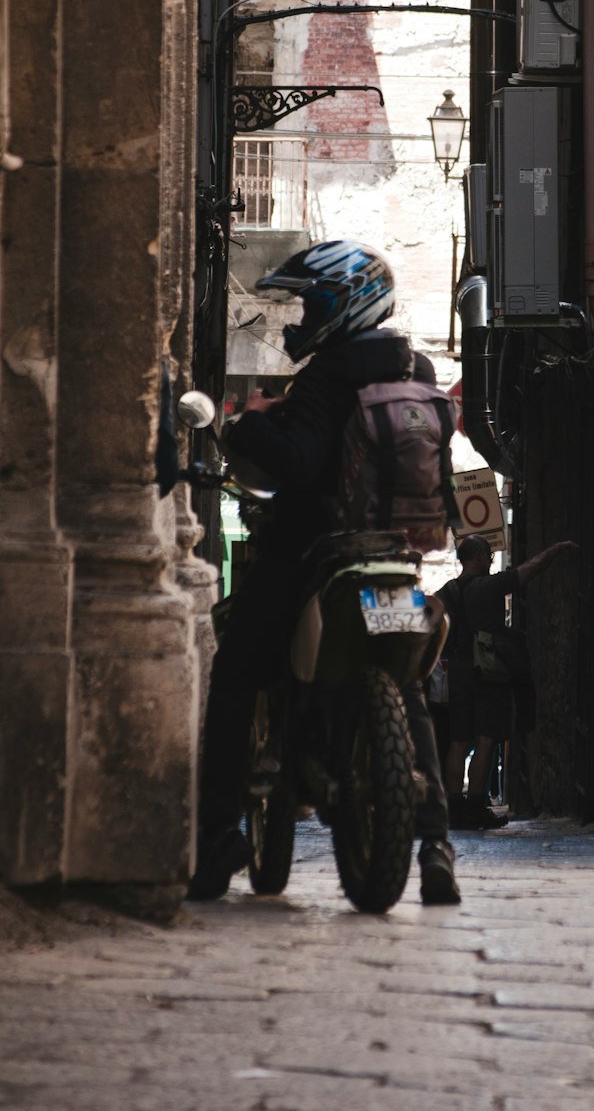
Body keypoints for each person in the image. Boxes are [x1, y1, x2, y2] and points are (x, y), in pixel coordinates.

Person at [187, 239, 460, 907]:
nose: (300, 319)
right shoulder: (414, 365)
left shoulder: (327, 376)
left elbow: (297, 462)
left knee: (237, 670)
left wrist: (249, 426)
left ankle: (220, 832)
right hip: (396, 553)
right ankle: (436, 846)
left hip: (316, 551)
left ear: (344, 304)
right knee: (410, 687)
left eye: (311, 303)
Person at [435, 533, 578, 829]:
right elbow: (530, 569)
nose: (489, 560)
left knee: (458, 739)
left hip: (458, 672)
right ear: (477, 558)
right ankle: (474, 805)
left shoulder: (446, 592)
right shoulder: (490, 587)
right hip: (488, 670)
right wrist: (555, 548)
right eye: (487, 555)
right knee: (487, 737)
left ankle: (452, 807)